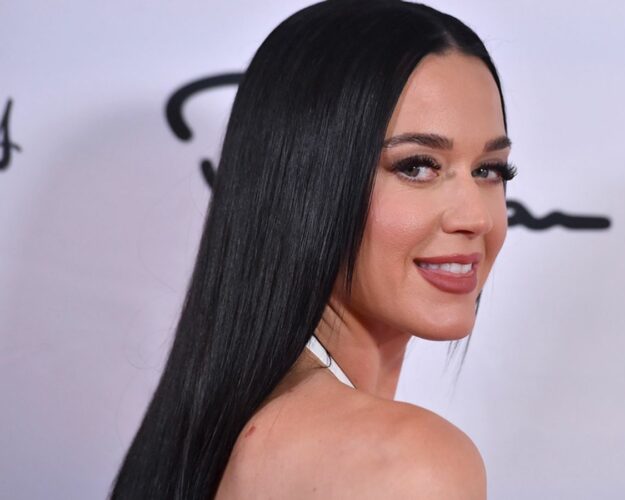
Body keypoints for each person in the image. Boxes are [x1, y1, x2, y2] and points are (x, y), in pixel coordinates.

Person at [111, 0, 516, 498]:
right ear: (305, 181)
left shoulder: (222, 431)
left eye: (490, 170)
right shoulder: (411, 462)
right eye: (417, 166)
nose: (476, 217)